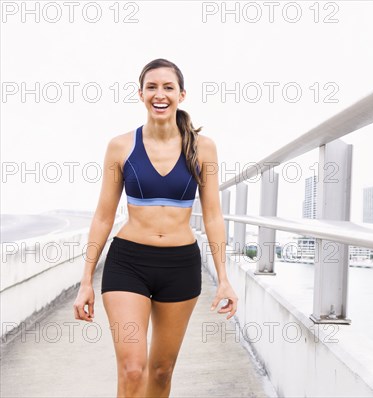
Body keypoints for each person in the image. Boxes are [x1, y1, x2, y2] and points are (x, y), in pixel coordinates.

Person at [73, 58, 238, 397]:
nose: (159, 94)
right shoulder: (121, 146)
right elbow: (103, 216)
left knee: (162, 372)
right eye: (152, 87)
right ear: (140, 94)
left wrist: (224, 279)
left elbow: (213, 216)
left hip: (180, 266)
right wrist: (85, 280)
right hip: (128, 263)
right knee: (133, 369)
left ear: (182, 94)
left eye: (167, 87)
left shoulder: (203, 148)